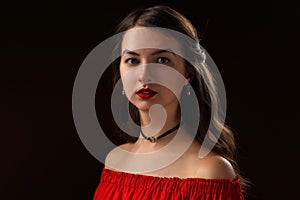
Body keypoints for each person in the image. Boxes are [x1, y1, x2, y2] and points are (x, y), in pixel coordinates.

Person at [93, 5, 248, 200]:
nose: (144, 75)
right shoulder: (115, 161)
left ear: (188, 73)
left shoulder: (209, 172)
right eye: (132, 60)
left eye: (162, 60)